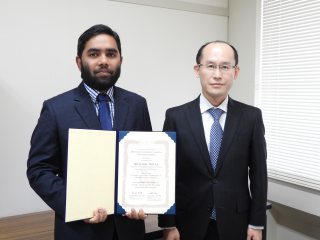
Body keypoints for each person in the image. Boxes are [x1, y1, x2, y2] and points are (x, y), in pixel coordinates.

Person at [27, 24, 152, 240]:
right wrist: (75, 205)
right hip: (79, 231)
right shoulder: (56, 109)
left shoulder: (137, 104)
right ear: (79, 62)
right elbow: (39, 170)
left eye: (111, 54)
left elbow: (146, 161)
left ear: (120, 60)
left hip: (129, 229)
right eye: (94, 54)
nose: (103, 60)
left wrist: (146, 198)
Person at [158, 41, 267, 240]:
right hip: (187, 223)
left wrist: (257, 224)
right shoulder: (176, 117)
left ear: (236, 72)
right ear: (197, 70)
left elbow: (259, 174)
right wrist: (168, 224)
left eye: (225, 67)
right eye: (210, 66)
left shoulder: (251, 117)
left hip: (237, 223)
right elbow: (167, 176)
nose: (217, 74)